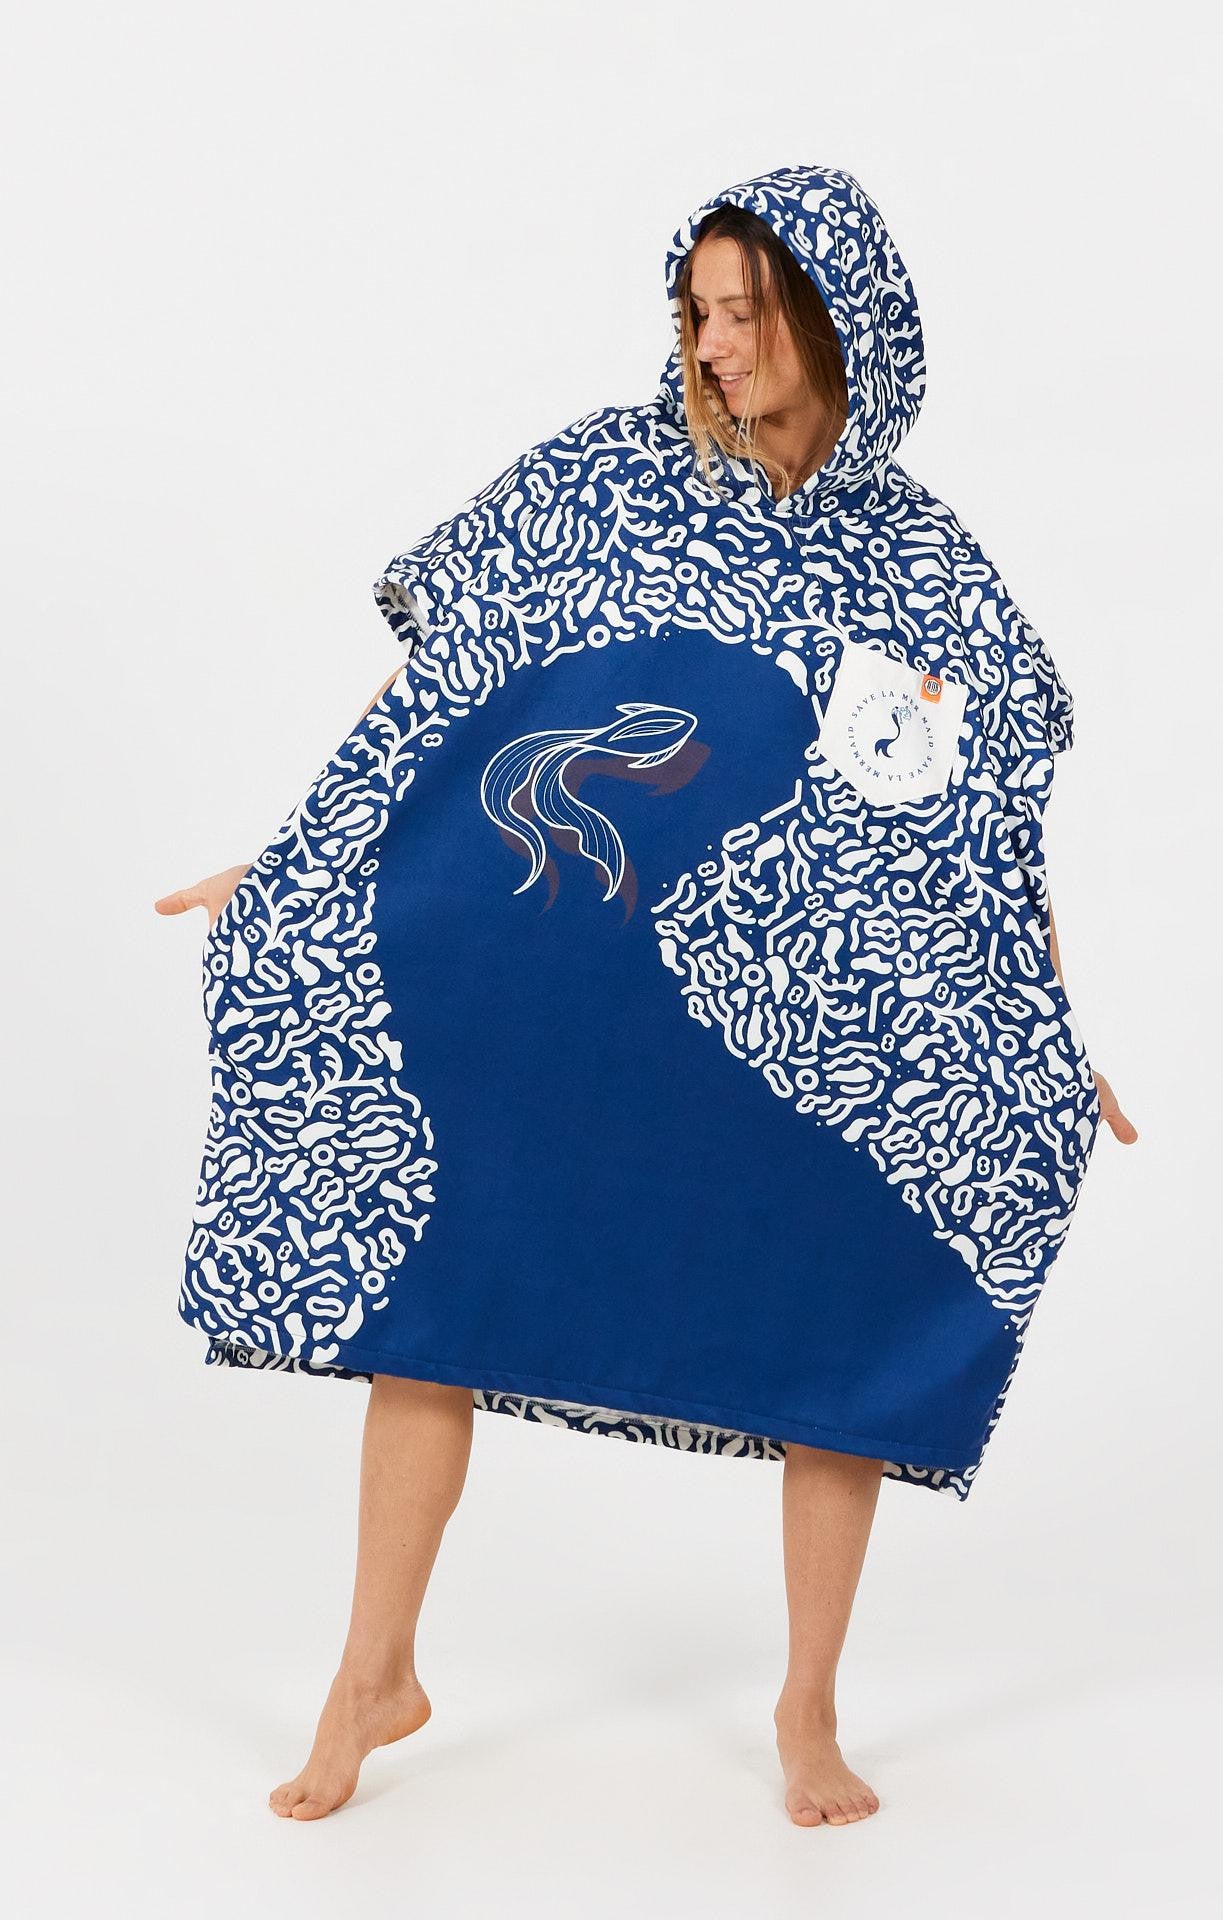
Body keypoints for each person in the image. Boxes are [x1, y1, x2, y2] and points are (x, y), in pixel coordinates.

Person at [156, 163, 1138, 1828]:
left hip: (738, 1028)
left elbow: (985, 824)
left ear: (838, 318)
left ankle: (807, 1709)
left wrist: (1044, 1016)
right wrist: (303, 852)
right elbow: (437, 692)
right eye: (697, 310)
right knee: (435, 1283)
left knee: (846, 1300)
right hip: (541, 991)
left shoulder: (926, 567)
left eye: (748, 310)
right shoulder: (603, 480)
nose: (715, 344)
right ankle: (370, 1675)